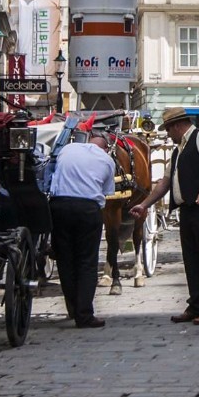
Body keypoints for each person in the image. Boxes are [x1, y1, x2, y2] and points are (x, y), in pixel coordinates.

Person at [137, 106, 199, 325]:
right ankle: (196, 304)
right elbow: (166, 181)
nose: (167, 134)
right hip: (188, 207)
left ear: (177, 126)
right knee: (192, 259)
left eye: (168, 129)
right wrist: (145, 204)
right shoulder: (179, 149)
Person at [44, 135, 116, 329]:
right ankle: (84, 315)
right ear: (105, 148)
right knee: (87, 262)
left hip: (59, 207)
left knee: (65, 260)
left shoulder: (68, 149)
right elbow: (107, 191)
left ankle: (73, 307)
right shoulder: (107, 160)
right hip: (87, 209)